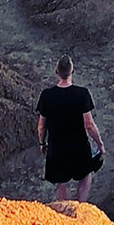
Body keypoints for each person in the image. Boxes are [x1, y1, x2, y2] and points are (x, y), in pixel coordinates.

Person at [37, 55, 104, 202]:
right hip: (78, 147)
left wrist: (42, 143)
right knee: (85, 176)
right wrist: (99, 143)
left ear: (57, 71)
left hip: (57, 147)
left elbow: (41, 126)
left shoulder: (47, 95)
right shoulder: (82, 94)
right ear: (72, 71)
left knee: (63, 182)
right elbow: (89, 125)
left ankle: (66, 213)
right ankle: (81, 208)